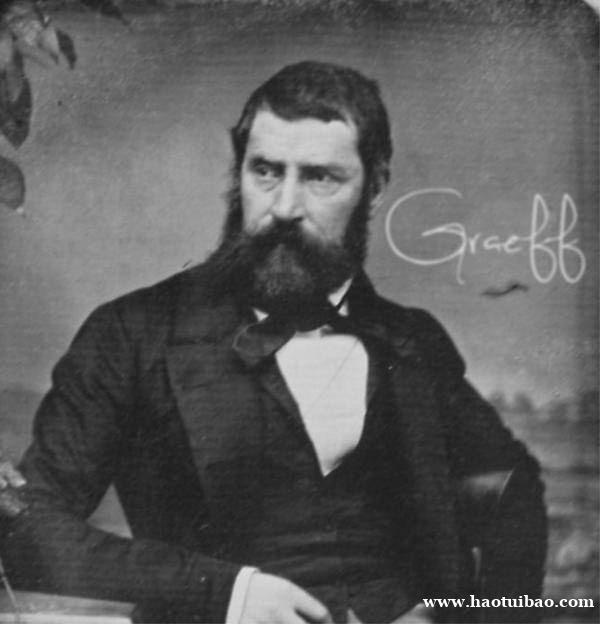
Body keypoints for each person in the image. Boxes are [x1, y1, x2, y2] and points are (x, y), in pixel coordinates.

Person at [0, 61, 546, 624]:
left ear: (376, 186)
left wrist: (459, 615)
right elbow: (24, 529)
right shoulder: (132, 333)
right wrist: (225, 593)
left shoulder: (412, 341)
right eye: (265, 171)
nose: (284, 207)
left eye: (320, 178)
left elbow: (512, 488)